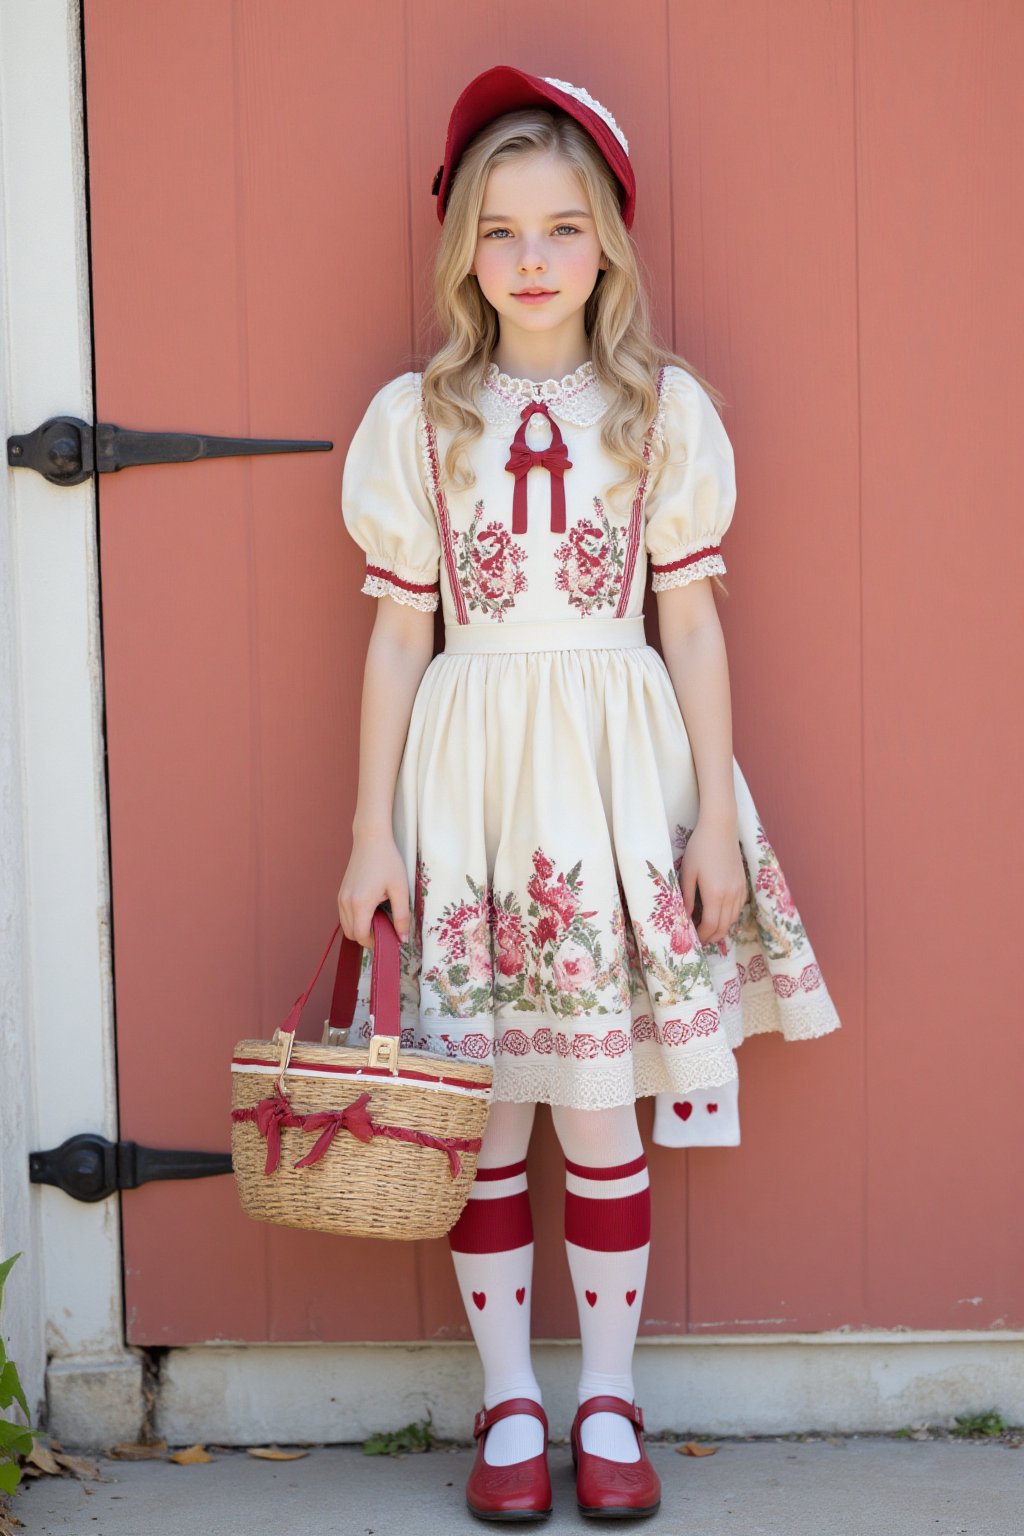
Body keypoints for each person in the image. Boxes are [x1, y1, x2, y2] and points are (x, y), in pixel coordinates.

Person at [337, 65, 841, 1523]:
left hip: (620, 776)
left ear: (609, 244)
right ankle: (509, 1411)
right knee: (486, 1108)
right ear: (463, 252)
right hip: (472, 775)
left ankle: (608, 1396)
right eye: (501, 232)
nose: (535, 260)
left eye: (565, 228)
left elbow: (689, 622)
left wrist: (716, 829)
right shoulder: (418, 420)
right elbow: (394, 633)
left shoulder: (660, 413)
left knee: (602, 1108)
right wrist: (372, 829)